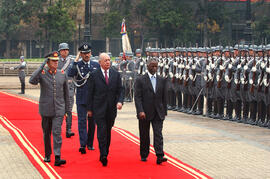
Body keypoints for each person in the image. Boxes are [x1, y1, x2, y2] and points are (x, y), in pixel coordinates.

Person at [29, 51, 69, 166]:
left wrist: (67, 110)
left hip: (59, 109)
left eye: (57, 61)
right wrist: (42, 66)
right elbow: (32, 80)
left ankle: (57, 157)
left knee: (57, 132)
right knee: (47, 133)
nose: (56, 63)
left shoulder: (62, 74)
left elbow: (66, 94)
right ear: (48, 62)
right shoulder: (42, 73)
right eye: (53, 61)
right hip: (46, 109)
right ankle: (47, 154)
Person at [87, 53, 124, 167]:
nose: (108, 62)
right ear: (100, 63)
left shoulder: (115, 74)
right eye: (105, 60)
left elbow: (120, 90)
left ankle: (105, 151)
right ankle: (103, 154)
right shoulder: (94, 75)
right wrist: (89, 109)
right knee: (101, 131)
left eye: (109, 60)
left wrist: (120, 101)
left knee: (107, 131)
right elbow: (90, 93)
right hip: (98, 108)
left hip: (111, 109)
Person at [134, 58, 168, 165]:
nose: (154, 68)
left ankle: (159, 155)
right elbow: (137, 97)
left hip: (158, 112)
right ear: (147, 66)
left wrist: (164, 111)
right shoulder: (140, 80)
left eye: (156, 66)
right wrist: (140, 111)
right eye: (152, 66)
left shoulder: (161, 80)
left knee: (158, 134)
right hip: (145, 112)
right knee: (144, 134)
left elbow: (164, 97)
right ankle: (144, 154)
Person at [68, 43, 100, 154]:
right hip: (82, 97)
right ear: (81, 54)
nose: (87, 55)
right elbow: (70, 74)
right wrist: (75, 61)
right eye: (84, 53)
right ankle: (83, 144)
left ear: (91, 53)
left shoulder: (96, 65)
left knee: (92, 122)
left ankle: (90, 143)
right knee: (82, 121)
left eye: (88, 53)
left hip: (93, 99)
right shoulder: (77, 65)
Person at [58, 42, 75, 138]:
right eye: (63, 50)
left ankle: (68, 129)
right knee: (59, 110)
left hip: (69, 88)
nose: (65, 51)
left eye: (67, 50)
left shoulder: (72, 61)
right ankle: (57, 128)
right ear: (60, 51)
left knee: (69, 110)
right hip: (59, 89)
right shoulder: (56, 61)